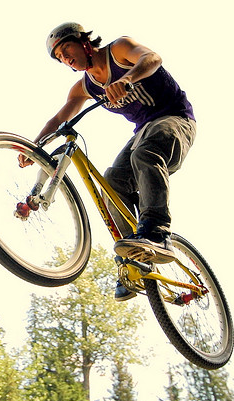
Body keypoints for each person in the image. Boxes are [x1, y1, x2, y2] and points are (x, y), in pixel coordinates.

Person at [19, 22, 196, 301]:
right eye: (61, 58)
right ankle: (135, 259)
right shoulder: (85, 87)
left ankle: (157, 232)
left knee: (144, 154)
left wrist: (127, 79)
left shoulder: (120, 50)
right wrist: (34, 146)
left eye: (67, 49)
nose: (67, 59)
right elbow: (58, 119)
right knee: (112, 182)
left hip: (174, 119)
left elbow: (152, 58)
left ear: (84, 42)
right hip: (142, 132)